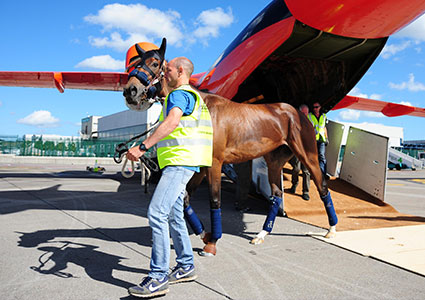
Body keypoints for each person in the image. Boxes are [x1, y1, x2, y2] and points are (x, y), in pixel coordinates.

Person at [126, 57, 213, 298]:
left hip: (179, 162)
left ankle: (158, 277)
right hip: (184, 161)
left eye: (168, 70)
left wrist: (142, 147)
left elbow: (172, 123)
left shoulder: (178, 95)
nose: (164, 74)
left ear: (180, 71)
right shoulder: (194, 97)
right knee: (174, 214)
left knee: (156, 213)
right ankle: (185, 265)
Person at [288, 104, 310, 200]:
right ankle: (294, 185)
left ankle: (306, 191)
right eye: (303, 112)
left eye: (306, 112)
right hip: (297, 149)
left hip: (306, 150)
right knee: (296, 169)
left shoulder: (310, 122)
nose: (305, 114)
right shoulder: (295, 121)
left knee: (306, 171)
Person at [308, 102, 329, 178]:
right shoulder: (309, 116)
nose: (315, 109)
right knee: (313, 157)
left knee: (322, 156)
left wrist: (326, 138)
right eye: (314, 107)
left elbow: (324, 127)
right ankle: (313, 174)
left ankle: (322, 174)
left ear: (320, 107)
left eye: (316, 107)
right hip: (313, 140)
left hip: (321, 139)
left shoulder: (324, 116)